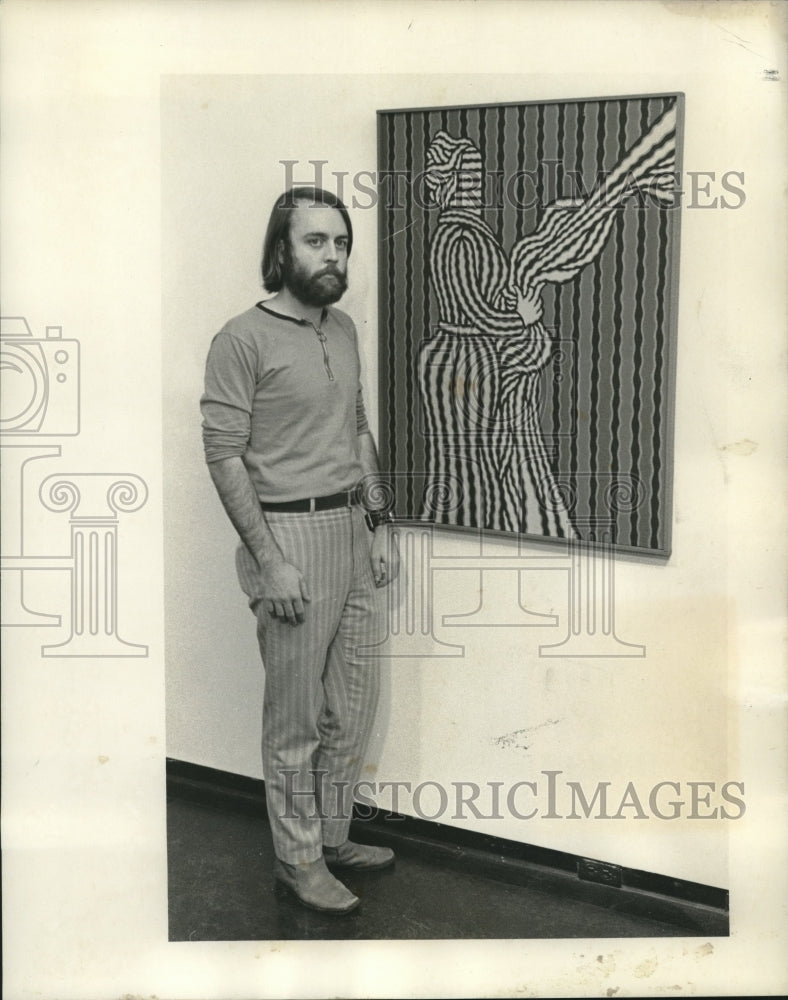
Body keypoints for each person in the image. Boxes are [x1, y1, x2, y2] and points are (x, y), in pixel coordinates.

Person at [200, 186, 399, 915]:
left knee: (352, 705)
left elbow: (355, 429)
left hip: (351, 529)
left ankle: (333, 835)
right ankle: (297, 860)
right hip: (288, 537)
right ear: (281, 250)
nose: (333, 256)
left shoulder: (341, 328)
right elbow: (222, 455)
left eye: (342, 243)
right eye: (317, 242)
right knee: (294, 721)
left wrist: (379, 524)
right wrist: (270, 558)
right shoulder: (240, 340)